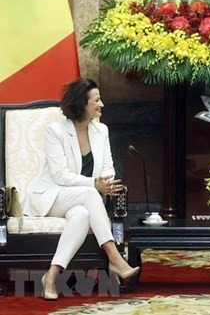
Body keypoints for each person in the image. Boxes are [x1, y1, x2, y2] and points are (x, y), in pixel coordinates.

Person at [22, 78, 139, 300]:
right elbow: (60, 175)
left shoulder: (101, 130)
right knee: (89, 193)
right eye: (96, 100)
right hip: (51, 196)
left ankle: (51, 276)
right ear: (81, 104)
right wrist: (94, 185)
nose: (102, 104)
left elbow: (108, 168)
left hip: (82, 201)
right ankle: (114, 257)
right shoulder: (55, 131)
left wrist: (105, 183)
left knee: (83, 214)